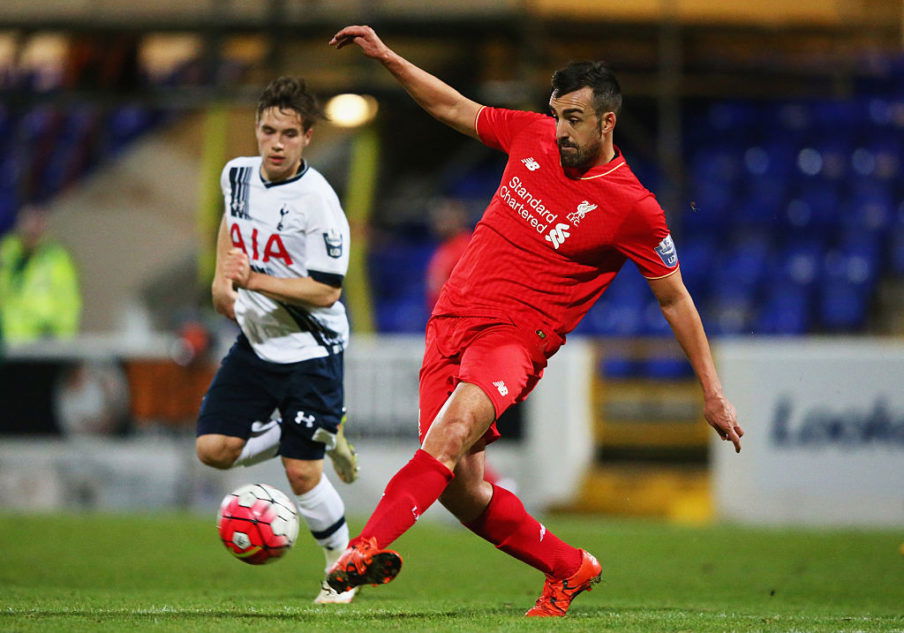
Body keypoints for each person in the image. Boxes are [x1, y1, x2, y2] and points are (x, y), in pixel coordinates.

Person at [325, 26, 745, 617]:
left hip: (512, 341)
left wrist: (713, 392)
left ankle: (363, 550)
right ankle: (570, 567)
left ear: (607, 123)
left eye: (574, 118)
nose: (561, 130)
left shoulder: (632, 207)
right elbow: (453, 106)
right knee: (461, 489)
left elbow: (675, 299)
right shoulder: (531, 136)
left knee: (443, 440)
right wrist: (389, 58)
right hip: (449, 323)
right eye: (557, 115)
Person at [194, 76, 360, 604]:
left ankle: (342, 568)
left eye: (289, 133)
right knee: (213, 450)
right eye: (268, 130)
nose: (276, 143)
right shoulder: (236, 175)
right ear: (257, 129)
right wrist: (223, 278)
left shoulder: (319, 202)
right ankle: (319, 431)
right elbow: (231, 222)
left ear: (307, 136)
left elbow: (327, 292)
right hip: (257, 340)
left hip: (313, 349)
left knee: (300, 471)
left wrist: (252, 280)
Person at [0, 204, 81, 343]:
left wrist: (64, 337)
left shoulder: (57, 257)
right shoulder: (7, 252)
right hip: (9, 338)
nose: (33, 227)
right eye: (29, 221)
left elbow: (68, 299)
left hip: (43, 339)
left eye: (39, 221)